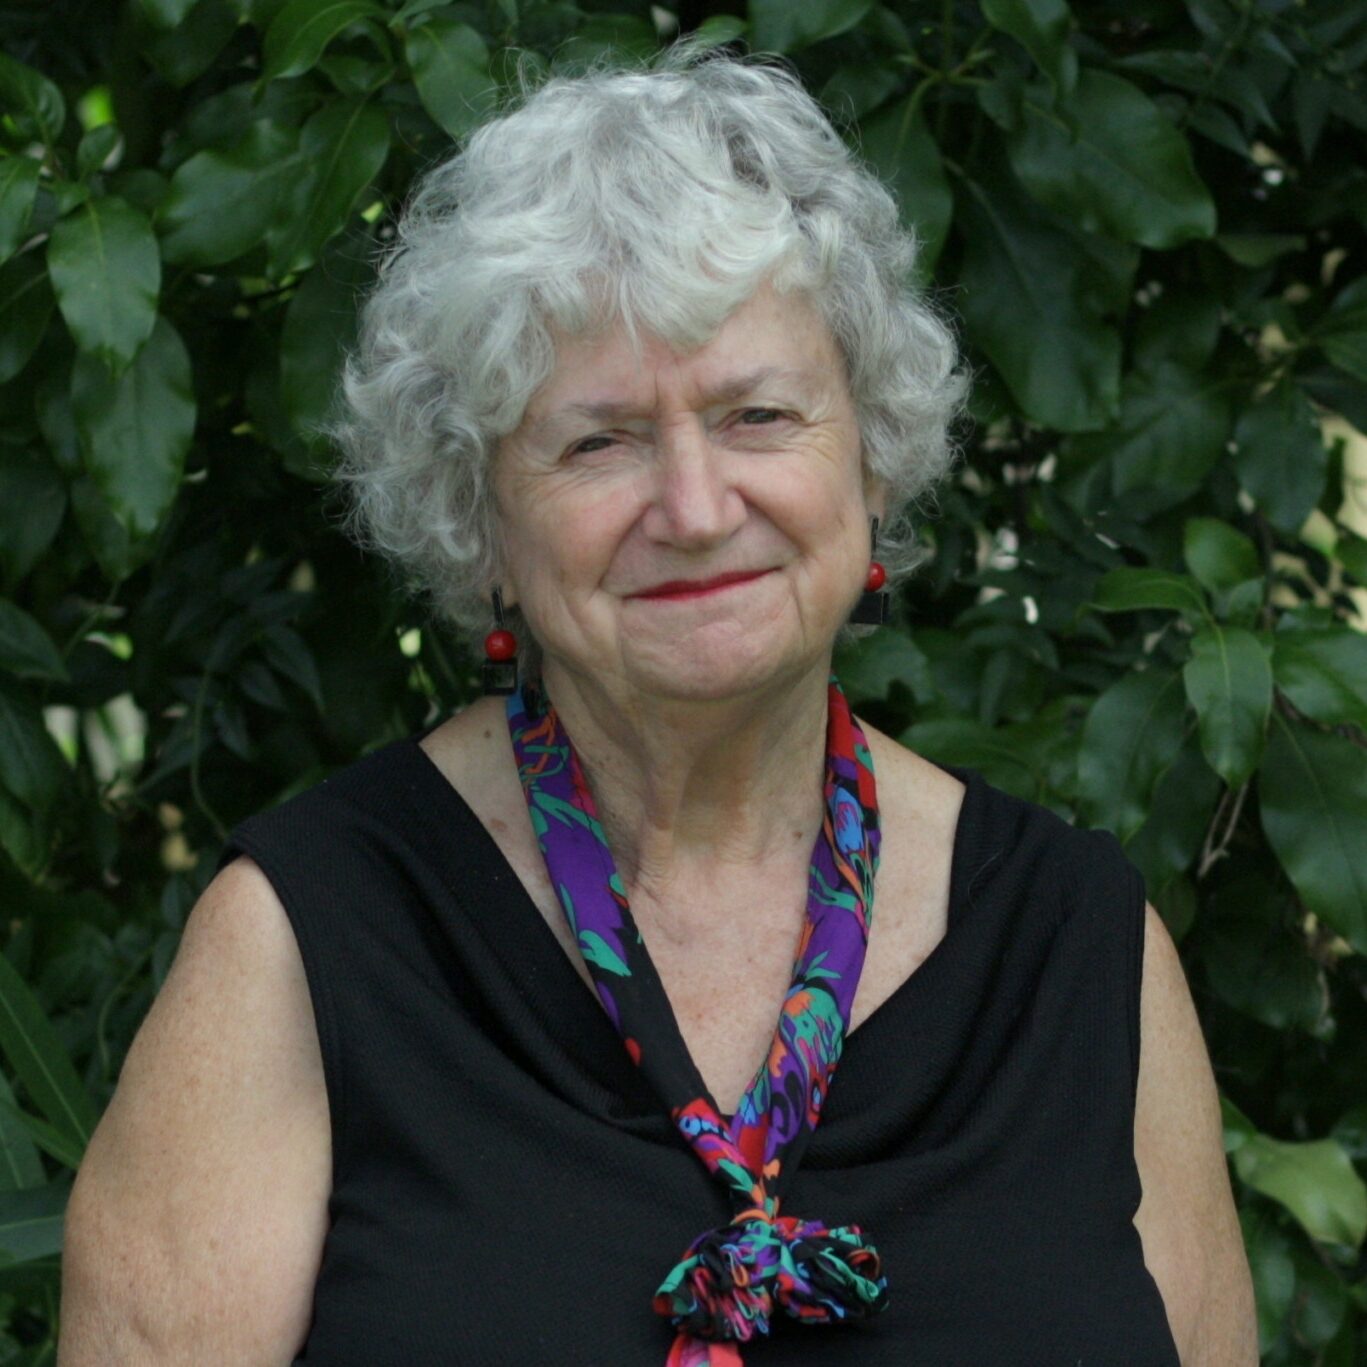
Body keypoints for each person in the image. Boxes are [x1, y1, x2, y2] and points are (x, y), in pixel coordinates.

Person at [59, 45, 1256, 1366]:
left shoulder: (1079, 947)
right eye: (597, 441)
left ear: (870, 458)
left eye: (757, 414)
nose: (694, 510)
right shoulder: (303, 945)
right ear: (483, 520)